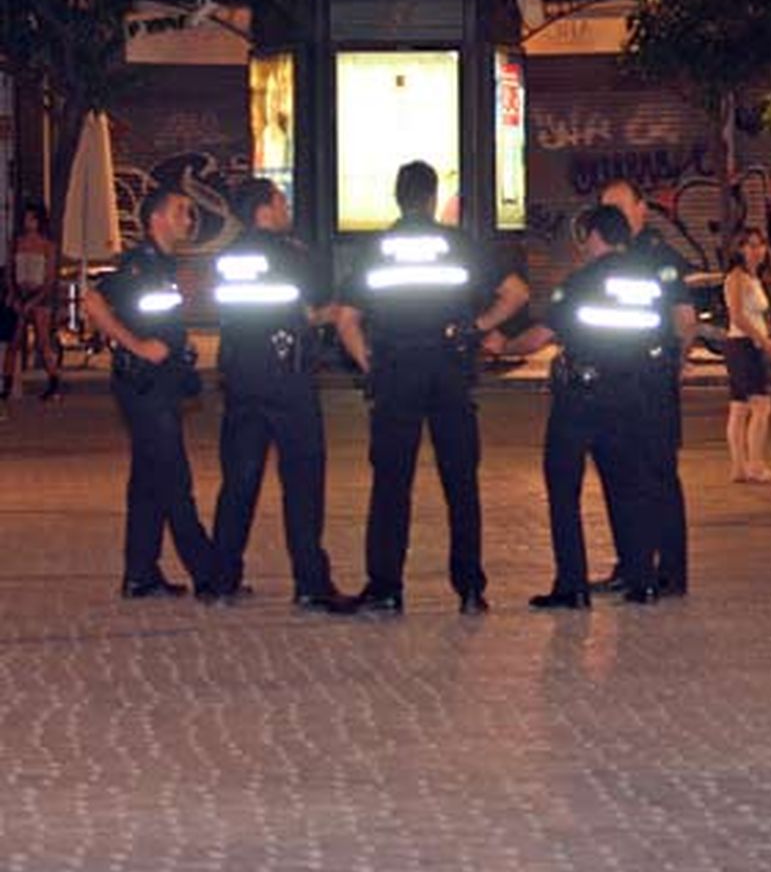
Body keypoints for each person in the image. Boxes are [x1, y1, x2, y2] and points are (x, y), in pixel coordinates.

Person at [336, 161, 529, 616]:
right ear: (430, 197)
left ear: (398, 198)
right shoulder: (458, 244)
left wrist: (370, 364)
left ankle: (385, 587)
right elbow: (517, 293)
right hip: (449, 370)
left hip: (397, 372)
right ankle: (469, 589)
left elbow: (346, 320)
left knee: (391, 485)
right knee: (460, 483)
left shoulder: (376, 248)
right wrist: (474, 328)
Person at [484, 205, 676, 609]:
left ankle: (572, 585)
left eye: (584, 238)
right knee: (628, 489)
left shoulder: (583, 281)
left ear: (595, 237)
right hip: (632, 395)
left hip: (582, 399)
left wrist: (504, 347)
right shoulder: (650, 283)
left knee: (564, 489)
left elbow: (541, 336)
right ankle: (641, 580)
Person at [210, 179, 356, 613]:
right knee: (302, 483)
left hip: (240, 376)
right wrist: (336, 315)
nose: (286, 205)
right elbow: (311, 312)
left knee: (238, 481)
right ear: (264, 210)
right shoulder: (293, 256)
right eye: (279, 200)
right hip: (286, 377)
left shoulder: (226, 259)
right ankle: (311, 582)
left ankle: (222, 579)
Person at [84, 186, 218, 600]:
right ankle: (211, 574)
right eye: (182, 211)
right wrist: (135, 344)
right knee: (174, 480)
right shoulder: (140, 265)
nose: (189, 219)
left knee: (148, 481)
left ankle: (140, 573)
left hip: (160, 385)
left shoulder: (162, 265)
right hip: (144, 387)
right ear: (157, 219)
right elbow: (92, 301)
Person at [596, 178, 694, 596]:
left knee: (658, 477)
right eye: (607, 209)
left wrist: (672, 366)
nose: (614, 217)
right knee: (618, 476)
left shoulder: (661, 259)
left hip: (650, 383)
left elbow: (685, 320)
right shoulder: (604, 261)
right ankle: (632, 563)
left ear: (642, 209)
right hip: (612, 385)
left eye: (621, 208)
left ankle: (669, 572)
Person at [723, 227, 771, 483]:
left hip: (748, 344)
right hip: (743, 345)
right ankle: (755, 465)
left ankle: (739, 467)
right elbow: (738, 316)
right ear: (739, 249)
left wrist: (770, 341)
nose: (757, 251)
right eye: (750, 245)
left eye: (760, 245)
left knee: (740, 407)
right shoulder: (736, 277)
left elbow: (759, 316)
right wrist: (764, 342)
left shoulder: (755, 278)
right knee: (761, 406)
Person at [3, 201, 63, 405]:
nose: (29, 223)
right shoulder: (17, 242)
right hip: (21, 291)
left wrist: (37, 298)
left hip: (40, 294)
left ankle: (54, 383)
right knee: (14, 342)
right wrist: (12, 292)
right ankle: (6, 384)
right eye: (26, 218)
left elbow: (50, 277)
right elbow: (10, 270)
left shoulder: (47, 245)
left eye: (32, 218)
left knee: (43, 341)